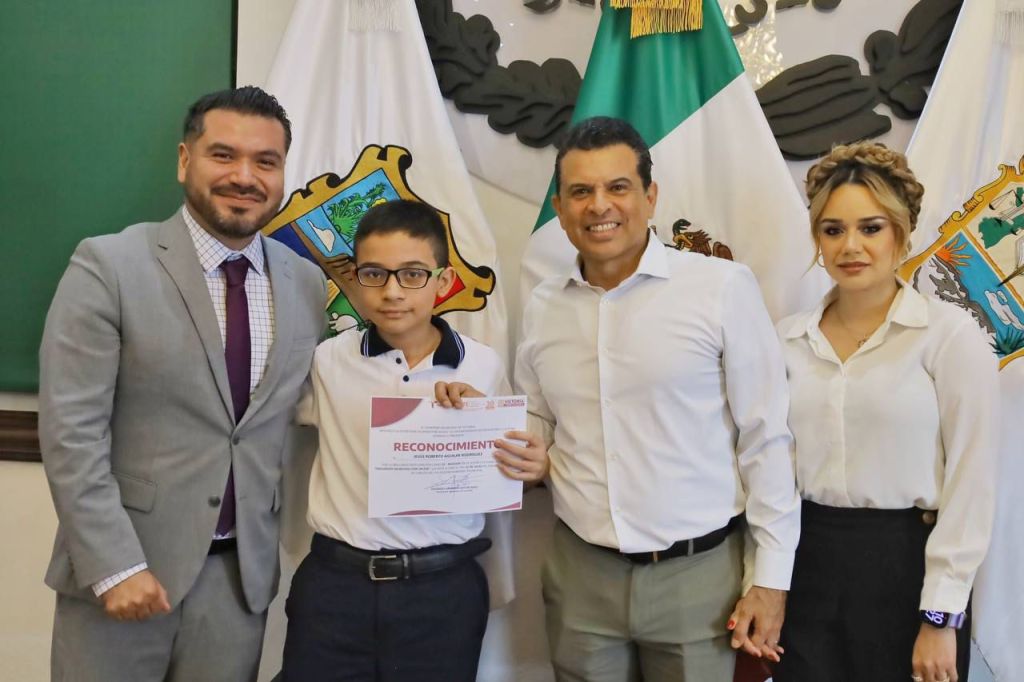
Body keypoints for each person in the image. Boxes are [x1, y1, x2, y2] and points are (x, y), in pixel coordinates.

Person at [38, 86, 327, 682]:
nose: (245, 176)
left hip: (239, 585)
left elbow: (308, 405)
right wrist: (113, 567)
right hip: (123, 576)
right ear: (183, 160)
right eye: (224, 155)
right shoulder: (107, 266)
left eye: (265, 161)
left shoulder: (305, 283)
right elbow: (71, 434)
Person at [514, 116, 801, 681]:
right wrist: (498, 433)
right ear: (560, 206)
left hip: (698, 581)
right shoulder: (544, 304)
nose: (600, 205)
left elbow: (767, 438)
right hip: (580, 576)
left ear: (649, 197)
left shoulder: (721, 288)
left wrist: (771, 578)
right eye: (581, 191)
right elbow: (538, 415)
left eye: (617, 187)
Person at [281, 199, 548, 682]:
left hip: (443, 588)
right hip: (336, 585)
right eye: (375, 274)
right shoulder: (326, 361)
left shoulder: (482, 365)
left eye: (412, 274)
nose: (392, 292)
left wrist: (496, 439)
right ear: (355, 278)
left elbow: (514, 473)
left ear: (443, 282)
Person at [772, 142, 997, 682]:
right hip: (807, 568)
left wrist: (941, 616)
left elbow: (973, 483)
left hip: (907, 572)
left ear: (902, 232)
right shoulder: (784, 342)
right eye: (832, 230)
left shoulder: (949, 337)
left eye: (870, 228)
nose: (851, 246)